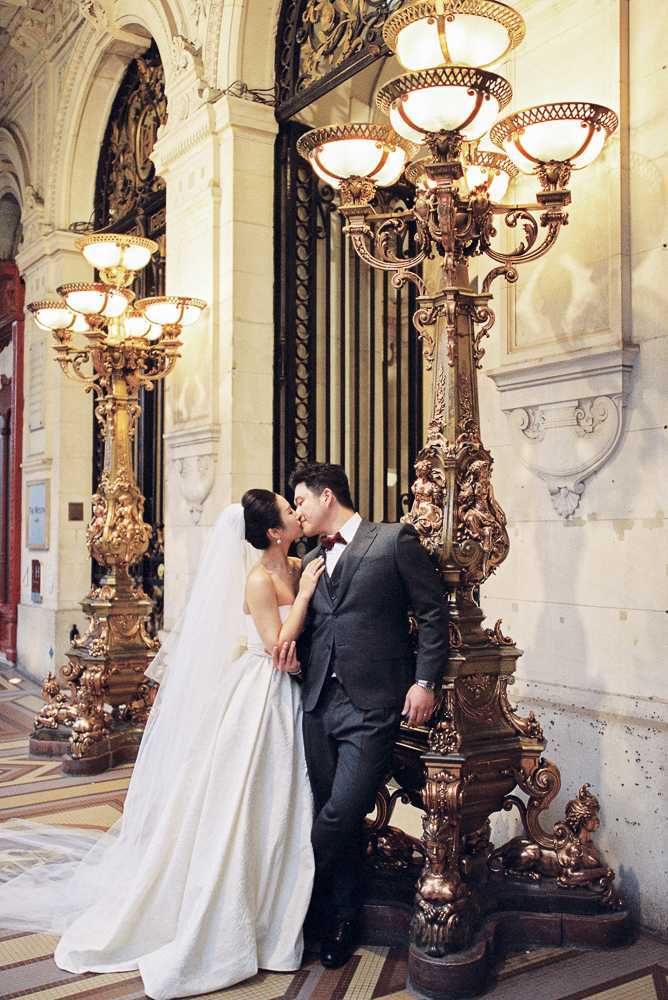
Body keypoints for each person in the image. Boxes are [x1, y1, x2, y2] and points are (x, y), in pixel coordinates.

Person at [0, 491, 324, 1000]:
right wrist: (302, 596)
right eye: (288, 510)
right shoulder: (260, 580)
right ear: (273, 533)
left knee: (283, 798)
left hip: (294, 691)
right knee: (245, 796)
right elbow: (275, 643)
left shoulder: (300, 563)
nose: (295, 513)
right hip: (261, 692)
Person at [275, 462, 449, 969]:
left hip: (373, 705)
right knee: (337, 815)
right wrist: (295, 663)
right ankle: (340, 919)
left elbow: (433, 613)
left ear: (327, 496)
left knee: (340, 811)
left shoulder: (392, 541)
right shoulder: (310, 561)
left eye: (301, 501)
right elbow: (312, 629)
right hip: (317, 704)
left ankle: (293, 892)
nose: (298, 513)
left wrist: (425, 681)